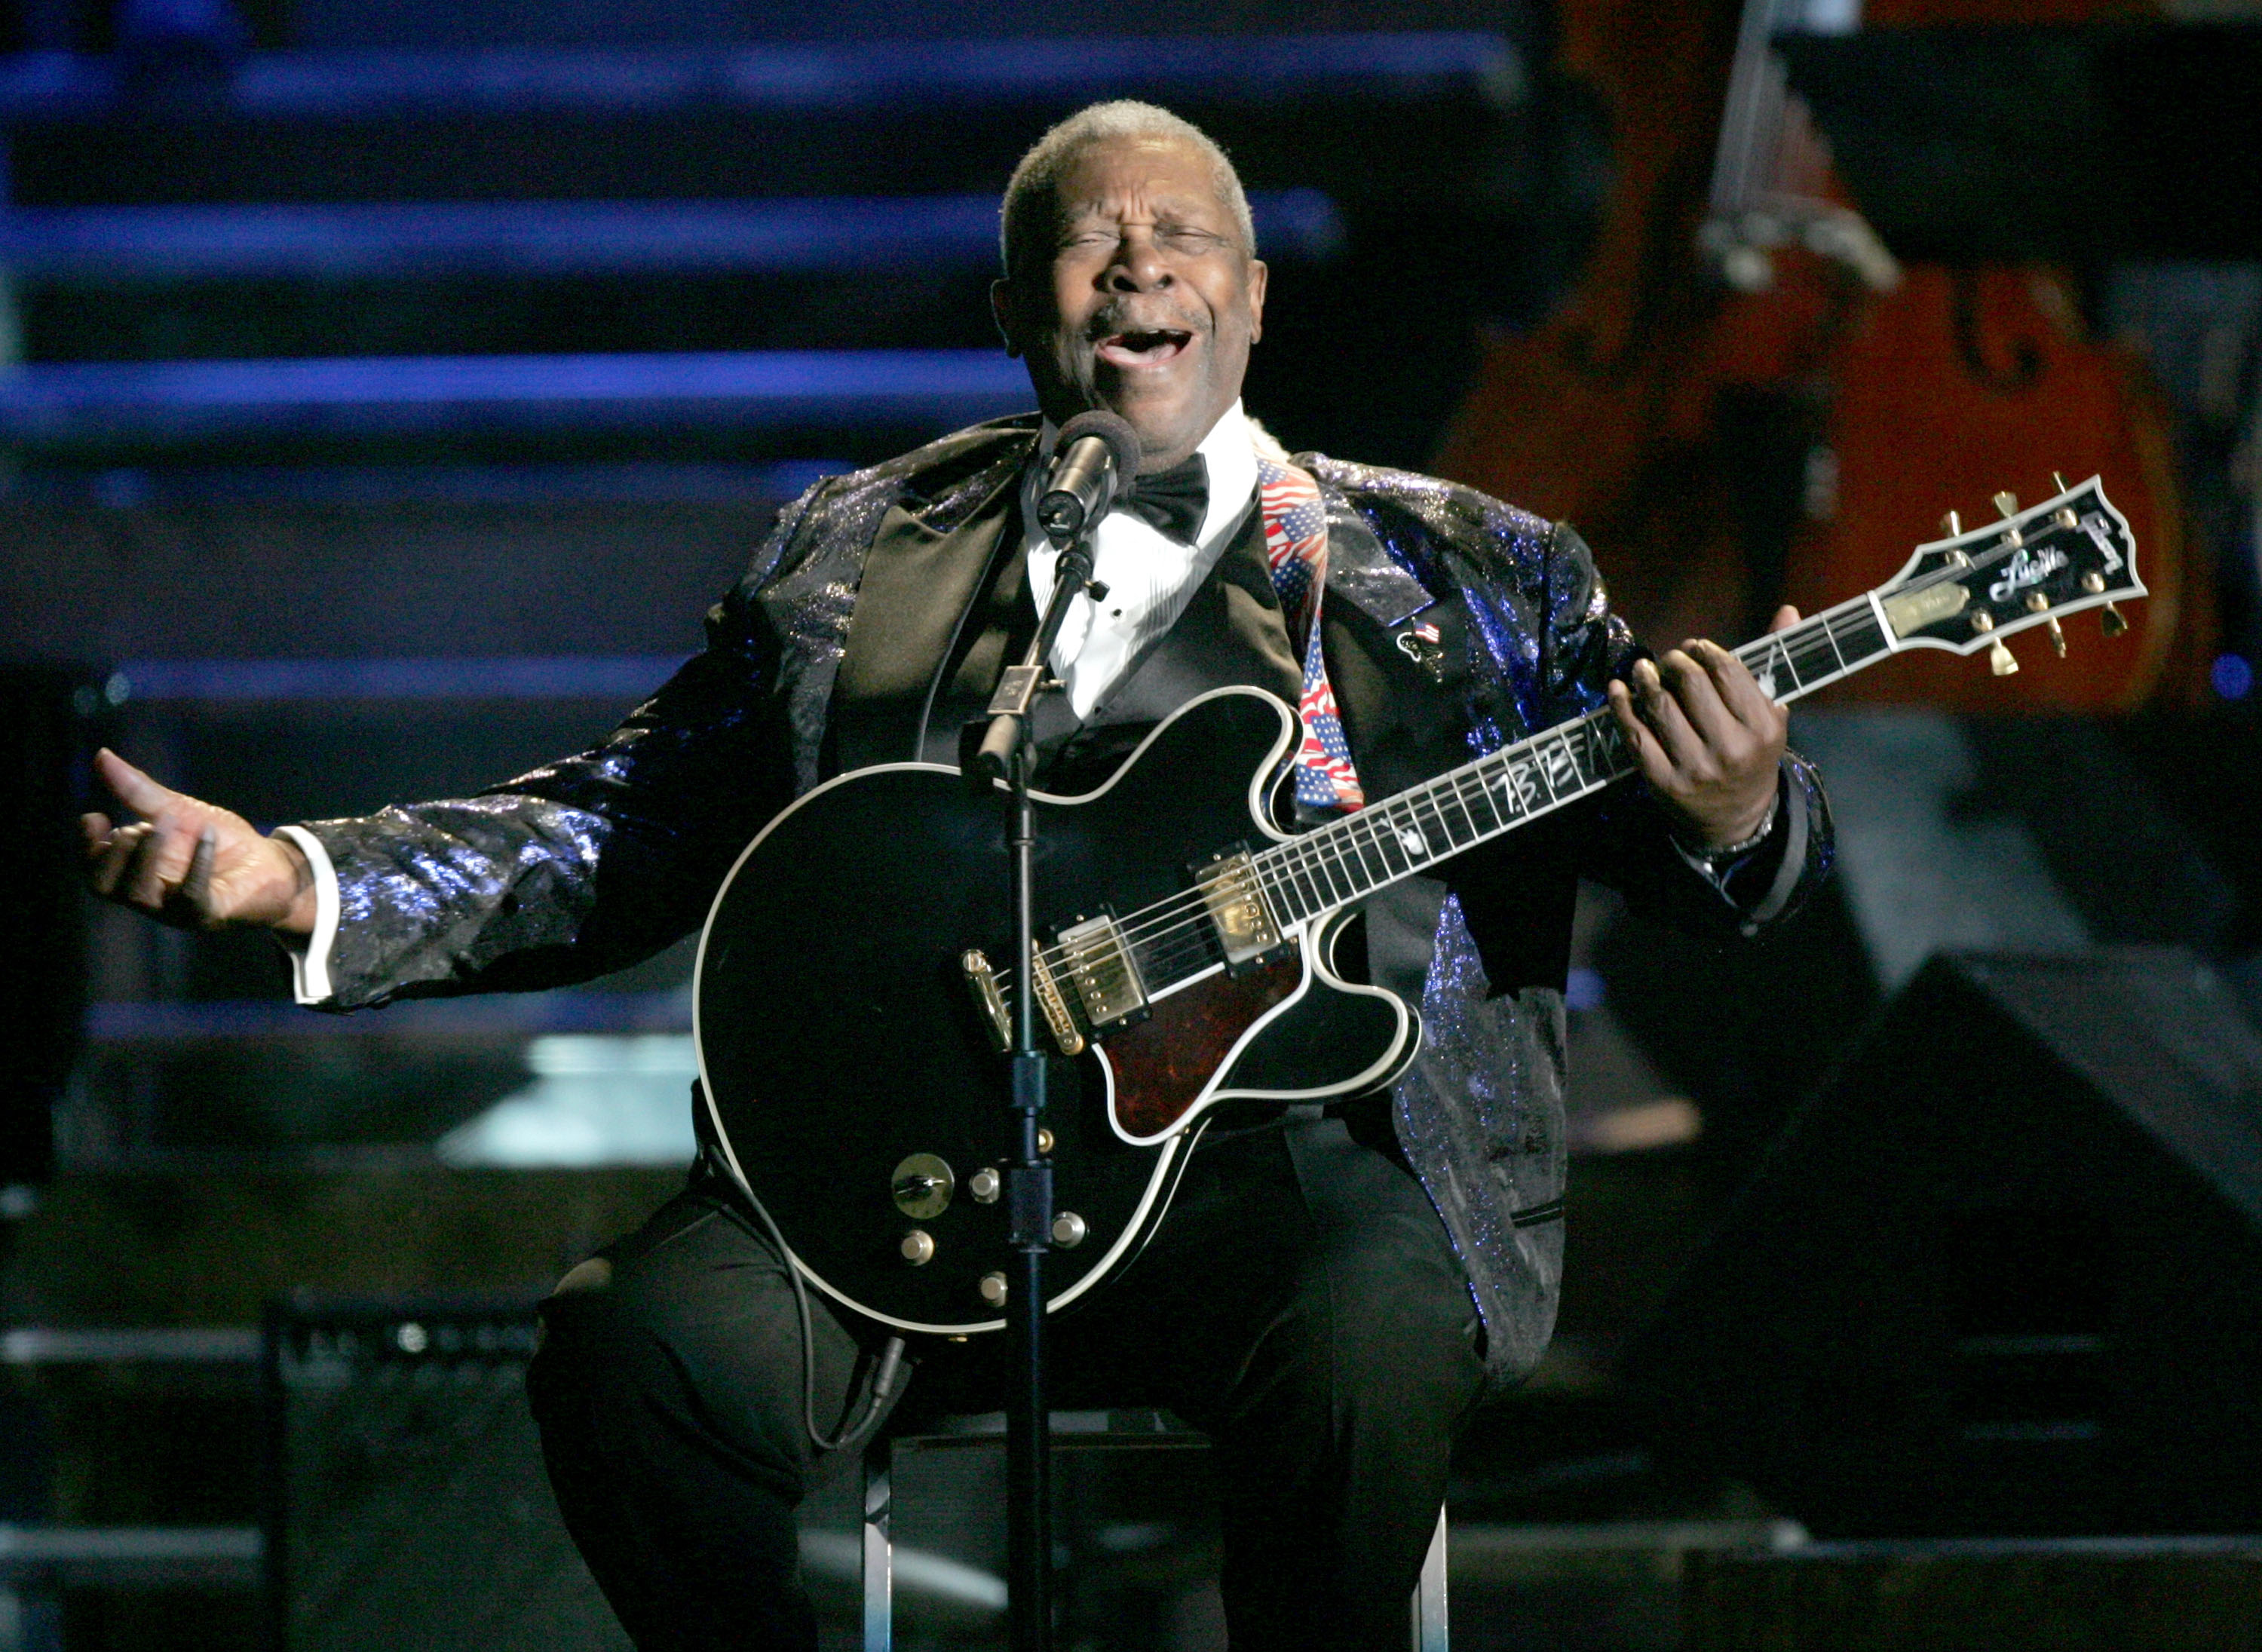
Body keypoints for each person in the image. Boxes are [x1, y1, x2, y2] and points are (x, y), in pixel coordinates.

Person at [81, 101, 1831, 1651]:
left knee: (1371, 1340)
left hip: (1293, 1179)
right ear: (1016, 312)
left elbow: (1683, 847)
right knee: (631, 1351)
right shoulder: (853, 549)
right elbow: (631, 824)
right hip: (905, 1179)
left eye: (1184, 236)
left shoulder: (1472, 571)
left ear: (1253, 299)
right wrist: (305, 880)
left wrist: (1735, 809)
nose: (1137, 265)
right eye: (1089, 240)